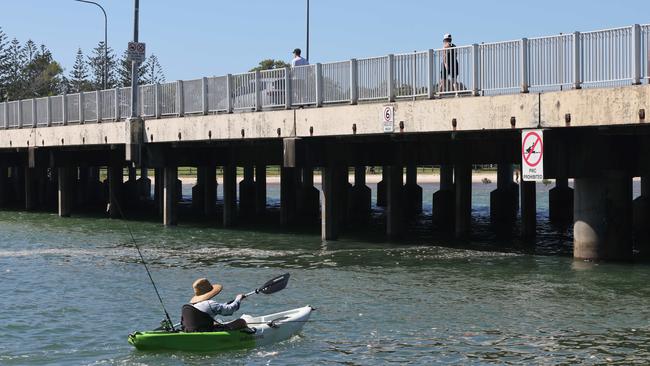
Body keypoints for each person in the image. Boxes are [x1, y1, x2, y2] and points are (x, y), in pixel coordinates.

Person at [180, 278, 250, 332]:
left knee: (218, 322)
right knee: (241, 321)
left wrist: (229, 303)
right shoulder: (210, 304)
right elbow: (229, 310)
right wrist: (238, 299)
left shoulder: (192, 306)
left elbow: (216, 308)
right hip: (207, 331)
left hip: (193, 330)